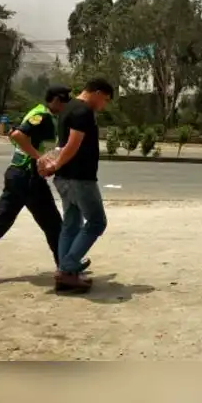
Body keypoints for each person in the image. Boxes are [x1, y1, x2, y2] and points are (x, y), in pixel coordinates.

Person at [0, 85, 73, 285]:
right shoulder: (42, 116)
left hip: (16, 175)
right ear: (54, 100)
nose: (65, 106)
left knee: (1, 222)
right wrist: (39, 158)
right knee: (54, 225)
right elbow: (17, 135)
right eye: (64, 102)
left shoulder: (39, 113)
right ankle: (65, 271)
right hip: (28, 177)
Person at [38, 77, 114, 292]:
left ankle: (67, 277)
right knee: (97, 222)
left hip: (64, 178)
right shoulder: (83, 112)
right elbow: (72, 144)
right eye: (105, 99)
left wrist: (55, 165)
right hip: (80, 178)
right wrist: (55, 165)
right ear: (97, 92)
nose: (104, 105)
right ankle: (68, 266)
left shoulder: (67, 108)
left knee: (71, 224)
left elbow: (61, 144)